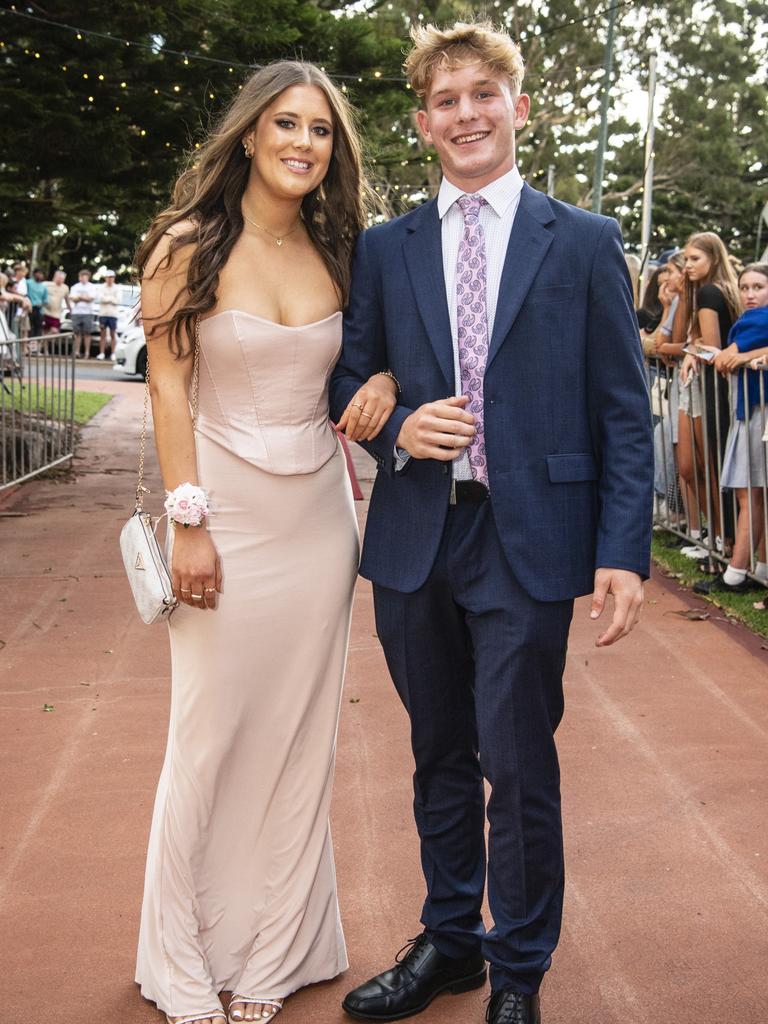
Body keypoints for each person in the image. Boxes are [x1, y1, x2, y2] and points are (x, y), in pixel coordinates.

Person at [330, 20, 653, 1024]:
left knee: (517, 762)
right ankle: (450, 941)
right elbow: (350, 376)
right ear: (422, 123)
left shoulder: (587, 241)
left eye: (484, 95)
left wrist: (622, 552)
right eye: (446, 100)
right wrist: (393, 424)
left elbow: (622, 410)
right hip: (418, 536)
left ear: (519, 108)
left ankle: (518, 967)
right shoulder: (383, 249)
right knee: (437, 752)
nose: (466, 113)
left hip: (531, 541)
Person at [133, 60, 396, 1024]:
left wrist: (386, 388)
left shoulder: (345, 255)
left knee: (300, 740)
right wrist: (188, 522)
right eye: (286, 124)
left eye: (321, 132)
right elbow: (168, 389)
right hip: (224, 511)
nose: (302, 143)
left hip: (322, 522)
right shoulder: (187, 243)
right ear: (249, 135)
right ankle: (188, 958)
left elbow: (376, 368)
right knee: (208, 733)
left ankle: (280, 949)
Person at [694, 263, 768, 593]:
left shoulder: (757, 320)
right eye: (745, 287)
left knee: (749, 493)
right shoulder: (748, 320)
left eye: (758, 287)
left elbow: (727, 357)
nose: (750, 294)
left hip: (756, 412)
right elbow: (726, 357)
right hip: (751, 410)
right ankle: (761, 568)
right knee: (757, 493)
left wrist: (738, 354)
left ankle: (735, 574)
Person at [676, 232, 741, 554]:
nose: (687, 265)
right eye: (685, 259)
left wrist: (691, 350)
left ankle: (724, 539)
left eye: (695, 259)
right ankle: (720, 536)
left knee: (713, 466)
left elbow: (711, 347)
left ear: (713, 259)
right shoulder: (719, 290)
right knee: (699, 466)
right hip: (714, 388)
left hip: (713, 387)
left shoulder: (710, 293)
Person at [69, 268, 96, 358]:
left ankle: (87, 352)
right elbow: (73, 298)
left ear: (88, 277)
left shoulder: (92, 287)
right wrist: (83, 297)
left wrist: (80, 297)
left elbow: (91, 298)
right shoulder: (75, 287)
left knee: (87, 333)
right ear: (79, 277)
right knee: (77, 333)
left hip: (88, 312)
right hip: (76, 312)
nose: (83, 278)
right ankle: (77, 352)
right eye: (82, 277)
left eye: (85, 277)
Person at [43, 269, 71, 351]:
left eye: (62, 279)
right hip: (46, 311)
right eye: (59, 278)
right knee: (45, 331)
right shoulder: (46, 285)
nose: (61, 280)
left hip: (56, 313)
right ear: (55, 277)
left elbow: (67, 299)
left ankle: (41, 341)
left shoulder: (65, 287)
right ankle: (45, 350)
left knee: (54, 331)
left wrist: (70, 309)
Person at [97, 270, 119, 359]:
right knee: (103, 334)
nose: (110, 279)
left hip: (113, 315)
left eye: (111, 277)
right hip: (103, 314)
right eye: (108, 277)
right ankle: (102, 353)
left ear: (114, 278)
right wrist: (111, 298)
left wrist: (107, 298)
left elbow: (118, 301)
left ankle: (113, 353)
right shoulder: (101, 287)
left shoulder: (117, 288)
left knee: (113, 334)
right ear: (105, 278)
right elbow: (101, 298)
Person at [26, 268, 48, 341]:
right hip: (29, 308)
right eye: (39, 273)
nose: (40, 275)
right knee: (29, 328)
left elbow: (46, 300)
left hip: (39, 310)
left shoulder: (43, 287)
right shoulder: (28, 283)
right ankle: (28, 346)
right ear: (34, 274)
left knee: (38, 329)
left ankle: (35, 348)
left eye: (41, 274)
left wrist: (42, 304)